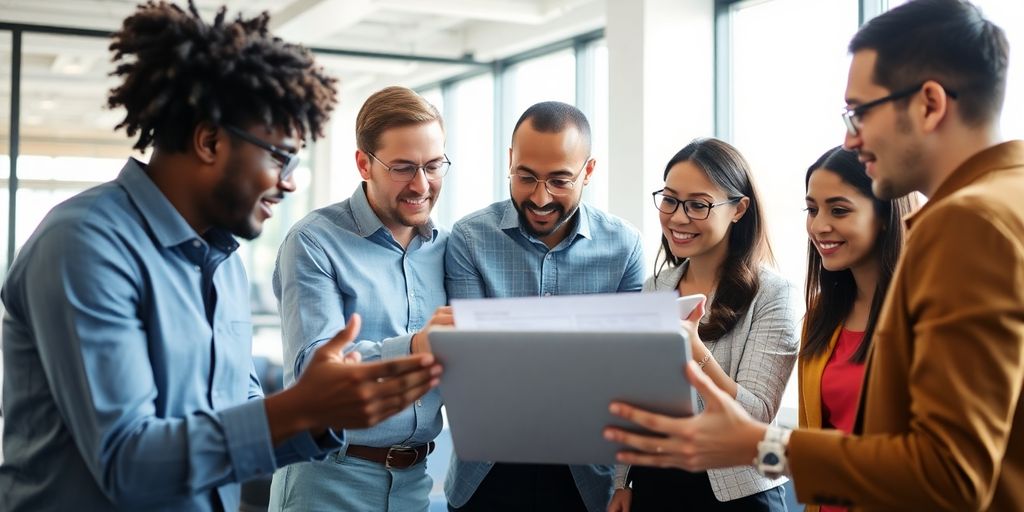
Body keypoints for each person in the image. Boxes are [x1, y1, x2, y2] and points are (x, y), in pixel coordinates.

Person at [0, 3, 440, 511]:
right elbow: (128, 461)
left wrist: (320, 412)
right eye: (280, 156)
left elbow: (241, 416)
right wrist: (298, 407)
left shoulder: (224, 260)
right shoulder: (85, 244)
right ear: (209, 141)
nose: (290, 182)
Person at [604, 1, 1024, 510]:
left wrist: (764, 448)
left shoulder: (969, 223)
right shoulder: (1008, 200)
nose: (851, 139)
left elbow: (948, 473)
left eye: (859, 112)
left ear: (930, 104)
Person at [444, 101, 646, 512]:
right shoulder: (469, 239)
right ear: (510, 162)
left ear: (588, 172)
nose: (540, 197)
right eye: (526, 177)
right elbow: (471, 368)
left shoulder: (625, 246)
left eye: (559, 180)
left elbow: (627, 371)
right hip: (485, 471)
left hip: (587, 478)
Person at [268, 86, 451, 511]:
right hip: (328, 482)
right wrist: (414, 347)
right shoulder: (313, 241)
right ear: (363, 164)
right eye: (403, 168)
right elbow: (314, 369)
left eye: (433, 165)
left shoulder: (448, 249)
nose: (421, 185)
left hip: (414, 484)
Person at [608, 138, 798, 512]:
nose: (678, 218)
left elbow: (756, 416)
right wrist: (622, 480)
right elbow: (634, 395)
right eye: (670, 200)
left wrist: (696, 351)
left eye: (698, 205)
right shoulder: (654, 288)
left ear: (739, 209)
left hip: (740, 492)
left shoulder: (774, 294)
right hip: (656, 484)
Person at [799, 147, 916, 512]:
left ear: (884, 214)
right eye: (812, 209)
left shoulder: (923, 316)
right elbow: (813, 433)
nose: (819, 226)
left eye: (839, 210)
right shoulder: (820, 317)